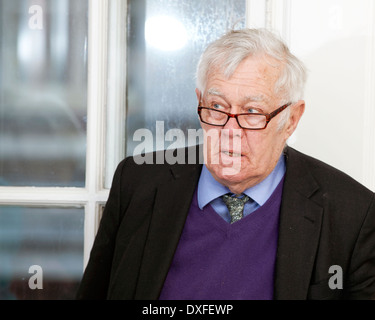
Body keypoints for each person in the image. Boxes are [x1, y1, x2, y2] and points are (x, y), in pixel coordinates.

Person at [76, 28, 375, 300]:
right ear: (199, 102)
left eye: (252, 112)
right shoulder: (137, 181)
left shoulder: (353, 214)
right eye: (217, 107)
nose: (230, 132)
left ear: (291, 120)